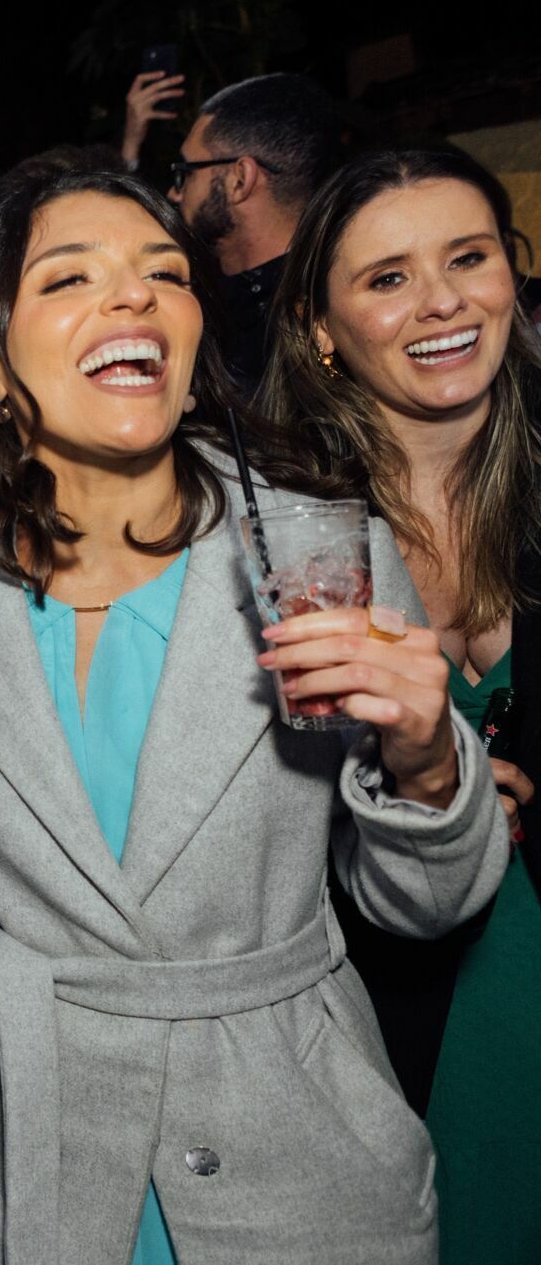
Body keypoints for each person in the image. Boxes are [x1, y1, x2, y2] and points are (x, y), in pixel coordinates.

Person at [0, 162, 506, 1264]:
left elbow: (426, 905)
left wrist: (424, 763)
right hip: (30, 1155)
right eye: (72, 277)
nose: (134, 298)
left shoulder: (320, 549)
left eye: (163, 274)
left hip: (297, 1151)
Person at [259, 146, 541, 1263]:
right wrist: (419, 788)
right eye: (386, 278)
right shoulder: (275, 530)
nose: (440, 301)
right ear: (321, 326)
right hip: (377, 994)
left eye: (468, 258)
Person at [123, 72, 342, 393]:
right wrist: (130, 148)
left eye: (186, 173)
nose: (174, 193)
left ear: (240, 180)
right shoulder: (199, 294)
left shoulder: (323, 320)